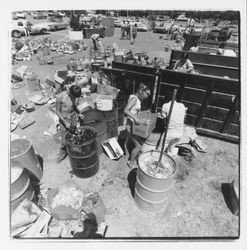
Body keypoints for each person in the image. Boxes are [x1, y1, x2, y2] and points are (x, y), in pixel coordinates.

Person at [124, 83, 151, 169]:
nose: (147, 96)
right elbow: (126, 110)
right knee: (139, 146)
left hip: (130, 125)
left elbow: (134, 111)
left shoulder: (134, 98)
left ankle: (127, 154)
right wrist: (135, 118)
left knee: (128, 140)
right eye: (147, 94)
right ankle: (131, 162)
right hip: (131, 126)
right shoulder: (134, 99)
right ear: (141, 92)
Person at [56, 85, 82, 163]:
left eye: (75, 97)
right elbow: (57, 111)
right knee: (64, 140)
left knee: (74, 135)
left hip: (73, 117)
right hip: (64, 119)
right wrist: (65, 122)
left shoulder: (75, 97)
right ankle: (62, 153)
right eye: (73, 97)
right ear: (70, 92)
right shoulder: (60, 97)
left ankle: (74, 151)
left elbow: (73, 106)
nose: (74, 99)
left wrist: (79, 113)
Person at [160, 91, 187, 155]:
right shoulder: (182, 105)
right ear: (175, 99)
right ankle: (167, 162)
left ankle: (157, 160)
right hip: (180, 133)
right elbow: (184, 116)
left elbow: (163, 118)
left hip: (170, 133)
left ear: (166, 99)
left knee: (160, 149)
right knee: (170, 151)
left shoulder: (165, 105)